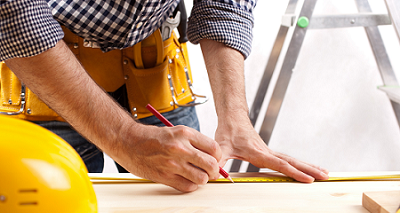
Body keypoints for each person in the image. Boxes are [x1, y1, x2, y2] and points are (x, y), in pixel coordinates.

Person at [0, 0, 329, 192]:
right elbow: (11, 15)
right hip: (47, 79)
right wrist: (124, 138)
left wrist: (236, 121)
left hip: (158, 75)